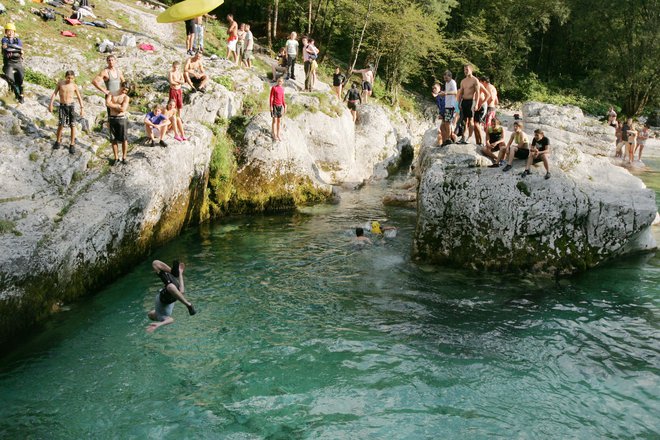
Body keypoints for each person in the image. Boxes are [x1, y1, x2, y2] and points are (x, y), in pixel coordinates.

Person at [146, 259, 196, 333]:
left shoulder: (157, 310)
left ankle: (174, 272)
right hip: (167, 297)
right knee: (170, 287)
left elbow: (182, 291)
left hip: (169, 290)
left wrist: (180, 274)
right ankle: (188, 305)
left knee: (155, 263)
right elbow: (171, 320)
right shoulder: (162, 317)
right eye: (151, 316)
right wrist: (159, 324)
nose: (150, 314)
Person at [48, 70, 84, 153]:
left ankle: (72, 144)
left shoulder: (74, 86)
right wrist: (51, 104)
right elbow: (54, 93)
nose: (70, 80)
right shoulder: (60, 83)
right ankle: (58, 141)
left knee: (72, 125)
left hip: (71, 106)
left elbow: (79, 97)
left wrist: (82, 108)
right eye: (68, 78)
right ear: (65, 77)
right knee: (61, 124)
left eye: (71, 78)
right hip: (62, 106)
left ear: (74, 78)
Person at [92, 55, 125, 132]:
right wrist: (104, 90)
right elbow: (94, 81)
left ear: (115, 61)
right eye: (109, 60)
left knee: (120, 113)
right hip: (110, 96)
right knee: (111, 116)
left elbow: (124, 82)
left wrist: (124, 92)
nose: (111, 62)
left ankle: (119, 132)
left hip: (119, 96)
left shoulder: (118, 71)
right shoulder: (105, 72)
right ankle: (112, 134)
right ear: (107, 61)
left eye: (112, 60)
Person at [105, 81, 130, 165]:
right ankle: (116, 158)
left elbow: (123, 109)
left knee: (124, 139)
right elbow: (107, 103)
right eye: (123, 89)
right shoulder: (111, 93)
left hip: (121, 119)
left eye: (126, 90)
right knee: (113, 139)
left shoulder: (126, 97)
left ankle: (124, 157)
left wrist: (112, 105)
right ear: (120, 86)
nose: (124, 91)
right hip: (112, 118)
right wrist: (117, 106)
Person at [456, 64, 481, 144]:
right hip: (464, 101)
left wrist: (476, 104)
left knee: (470, 120)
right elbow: (460, 93)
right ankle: (463, 137)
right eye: (464, 70)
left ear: (471, 70)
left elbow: (478, 93)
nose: (465, 71)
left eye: (467, 69)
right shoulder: (463, 81)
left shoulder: (475, 80)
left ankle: (469, 137)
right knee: (463, 120)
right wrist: (459, 103)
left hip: (471, 101)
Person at [2, 23, 24, 103]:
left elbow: (21, 49)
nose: (10, 33)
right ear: (6, 32)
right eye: (8, 31)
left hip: (18, 62)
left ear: (14, 32)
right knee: (11, 79)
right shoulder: (4, 40)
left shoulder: (18, 40)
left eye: (12, 31)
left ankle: (22, 94)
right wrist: (17, 49)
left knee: (21, 78)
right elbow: (6, 48)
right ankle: (17, 95)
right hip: (9, 63)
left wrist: (11, 47)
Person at [439, 70, 458, 147]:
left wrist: (446, 93)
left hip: (451, 105)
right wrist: (442, 93)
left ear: (450, 76)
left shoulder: (452, 82)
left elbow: (455, 92)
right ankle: (445, 140)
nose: (445, 79)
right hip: (447, 105)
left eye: (447, 78)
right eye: (444, 78)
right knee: (442, 125)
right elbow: (447, 92)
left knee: (447, 122)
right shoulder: (447, 83)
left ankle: (448, 139)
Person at [472, 78, 491, 146]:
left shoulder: (479, 85)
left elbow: (488, 95)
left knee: (476, 124)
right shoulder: (473, 85)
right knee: (475, 125)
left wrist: (481, 103)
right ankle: (478, 142)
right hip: (476, 106)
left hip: (481, 106)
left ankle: (481, 142)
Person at [269, 76, 286, 141]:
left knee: (279, 121)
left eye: (281, 81)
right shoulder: (274, 88)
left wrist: (284, 106)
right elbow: (271, 98)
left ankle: (278, 134)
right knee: (274, 121)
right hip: (274, 106)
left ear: (282, 82)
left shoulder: (282, 89)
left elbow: (283, 98)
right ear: (277, 81)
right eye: (278, 81)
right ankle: (274, 134)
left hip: (280, 106)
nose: (279, 82)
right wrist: (271, 106)